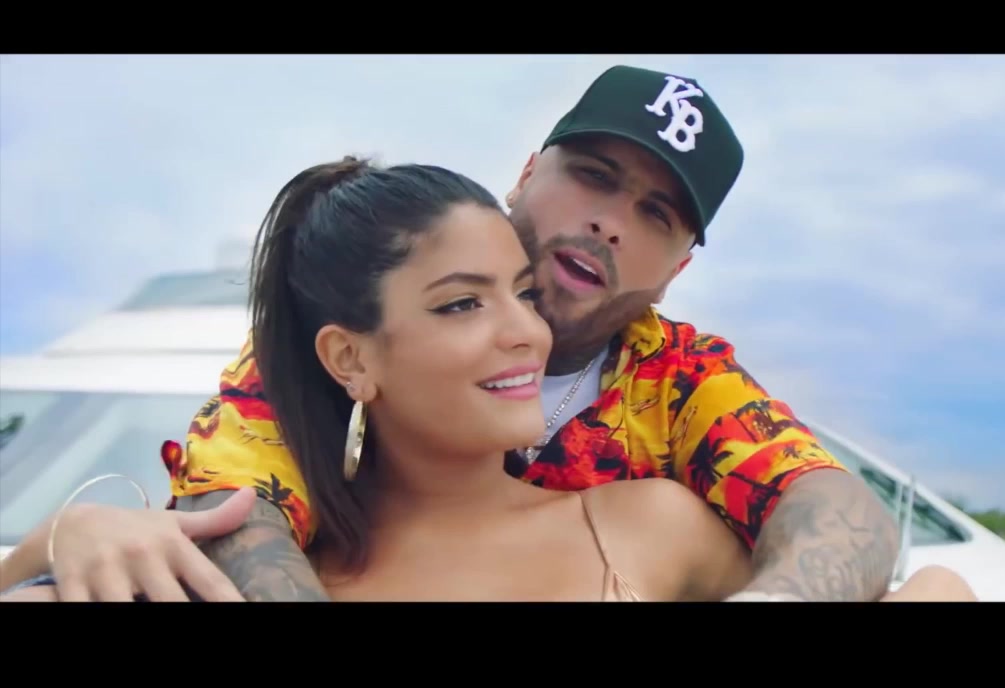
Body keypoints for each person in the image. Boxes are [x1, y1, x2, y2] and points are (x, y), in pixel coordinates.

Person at [1, 64, 977, 602]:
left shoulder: (680, 388)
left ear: (678, 268)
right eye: (593, 176)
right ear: (526, 172)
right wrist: (65, 533)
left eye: (655, 215)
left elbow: (826, 504)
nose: (609, 222)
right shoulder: (320, 350)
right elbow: (233, 511)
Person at [1, 157, 766, 601]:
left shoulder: (649, 528)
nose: (526, 332)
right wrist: (55, 543)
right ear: (350, 360)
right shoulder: (245, 570)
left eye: (524, 293)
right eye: (462, 304)